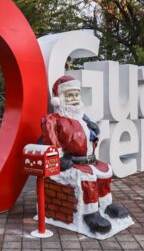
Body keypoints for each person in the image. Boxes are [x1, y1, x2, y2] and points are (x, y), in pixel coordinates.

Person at [41, 75, 129, 234]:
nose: (74, 99)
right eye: (69, 95)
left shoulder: (83, 117)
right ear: (59, 98)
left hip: (89, 160)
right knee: (87, 179)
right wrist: (60, 158)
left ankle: (106, 204)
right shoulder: (53, 119)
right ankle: (91, 213)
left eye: (76, 94)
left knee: (105, 171)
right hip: (72, 161)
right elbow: (51, 140)